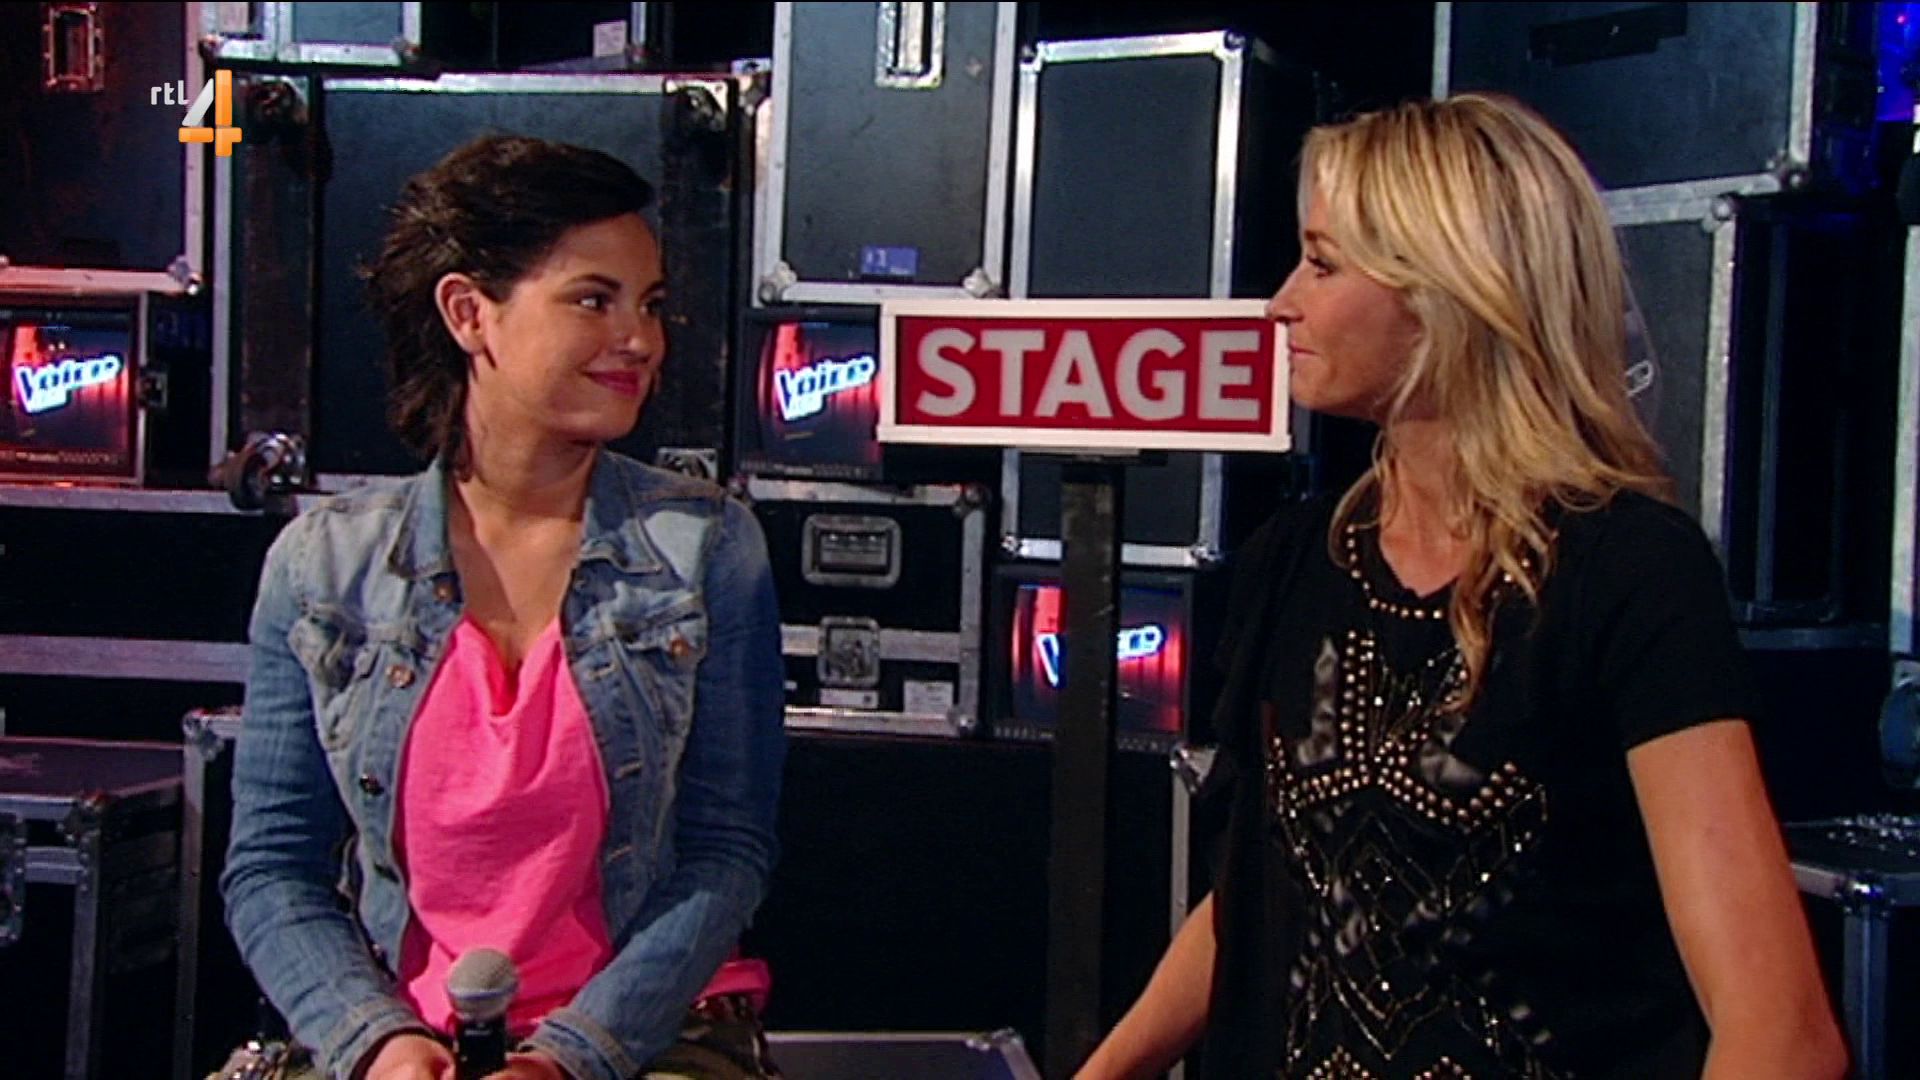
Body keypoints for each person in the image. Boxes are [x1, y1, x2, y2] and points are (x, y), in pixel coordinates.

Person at [1076, 95, 1847, 1079]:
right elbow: (1263, 894)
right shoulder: (1294, 556)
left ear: (1447, 295)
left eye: (1322, 264)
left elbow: (1781, 1035)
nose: (1280, 303)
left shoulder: (1627, 571)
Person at [221, 135, 787, 1080]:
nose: (641, 340)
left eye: (650, 305)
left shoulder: (710, 550)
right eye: (594, 300)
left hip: (647, 1039)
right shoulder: (324, 566)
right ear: (469, 313)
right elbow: (272, 868)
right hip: (404, 1038)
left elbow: (726, 853)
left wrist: (570, 1056)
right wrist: (375, 1040)